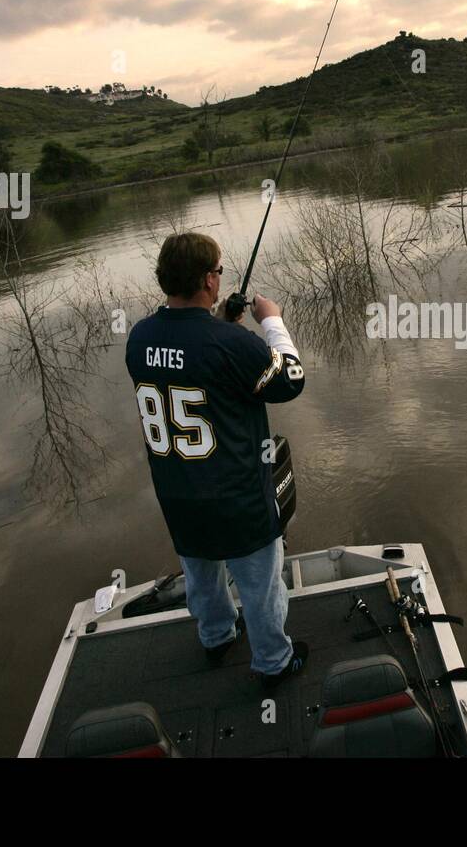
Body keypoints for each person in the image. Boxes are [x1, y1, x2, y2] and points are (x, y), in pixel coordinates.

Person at [125, 232, 308, 688]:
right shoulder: (229, 344)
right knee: (261, 584)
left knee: (201, 573)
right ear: (208, 280)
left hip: (178, 495)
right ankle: (273, 662)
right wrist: (271, 323)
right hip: (237, 497)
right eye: (219, 272)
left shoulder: (140, 338)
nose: (220, 279)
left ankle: (216, 637)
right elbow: (290, 380)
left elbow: (188, 360)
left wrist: (220, 321)